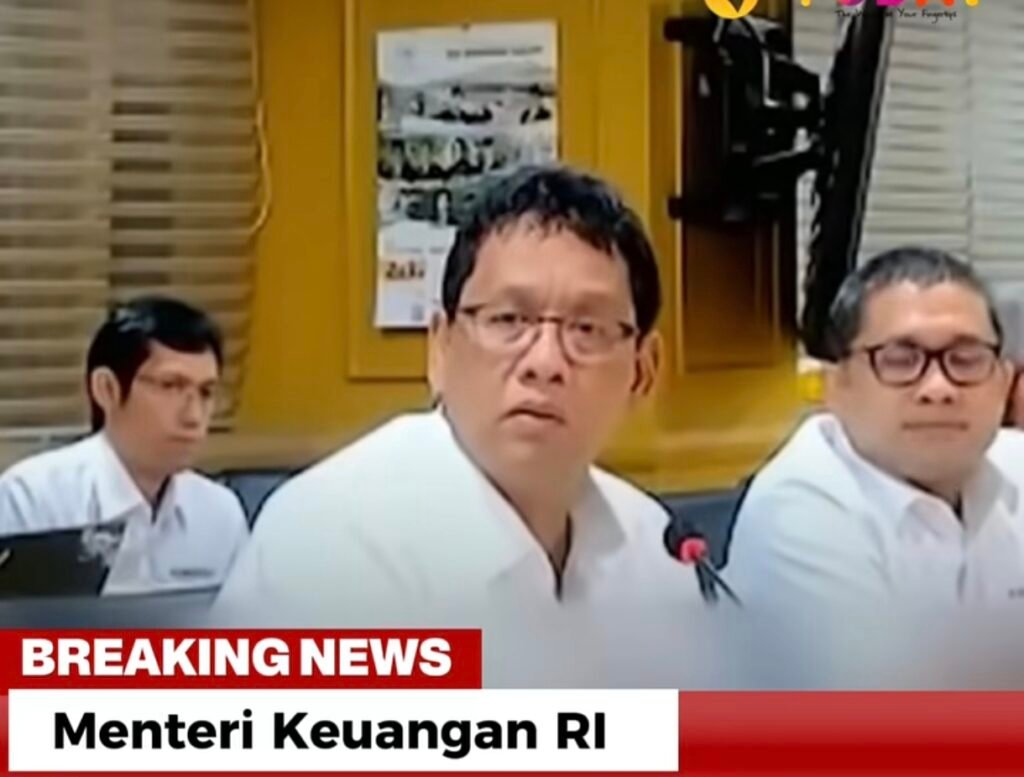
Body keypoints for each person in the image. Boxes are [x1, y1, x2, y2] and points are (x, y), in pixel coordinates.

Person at [215, 166, 703, 650]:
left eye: (588, 330)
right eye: (508, 320)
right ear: (441, 351)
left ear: (642, 371)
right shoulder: (329, 543)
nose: (545, 362)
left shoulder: (656, 546)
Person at [726, 247, 1024, 608]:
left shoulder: (1014, 463)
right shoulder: (800, 516)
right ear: (836, 387)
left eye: (965, 359)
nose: (938, 388)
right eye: (900, 361)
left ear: (1004, 382)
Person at [0, 296, 249, 595]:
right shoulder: (33, 499)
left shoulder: (220, 512)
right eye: (170, 386)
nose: (194, 416)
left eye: (206, 393)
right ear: (107, 389)